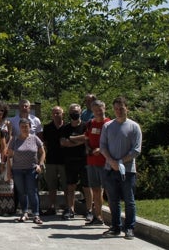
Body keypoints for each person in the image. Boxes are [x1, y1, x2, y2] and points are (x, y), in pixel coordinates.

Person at [100, 97, 142, 240]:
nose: (118, 111)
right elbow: (103, 146)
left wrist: (120, 162)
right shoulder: (107, 126)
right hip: (110, 169)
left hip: (128, 171)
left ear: (126, 108)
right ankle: (115, 227)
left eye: (121, 108)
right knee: (113, 200)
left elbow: (136, 150)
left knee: (129, 201)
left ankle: (129, 228)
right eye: (116, 108)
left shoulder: (134, 127)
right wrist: (111, 161)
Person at [7, 118, 46, 225]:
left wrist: (40, 164)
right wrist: (9, 171)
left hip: (31, 170)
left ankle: (36, 214)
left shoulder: (35, 139)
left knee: (32, 192)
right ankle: (24, 213)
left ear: (30, 127)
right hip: (17, 170)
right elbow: (9, 156)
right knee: (22, 192)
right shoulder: (14, 140)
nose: (24, 128)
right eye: (22, 127)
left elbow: (42, 152)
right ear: (19, 128)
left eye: (26, 126)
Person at [60, 103, 91, 222]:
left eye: (76, 111)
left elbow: (86, 138)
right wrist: (80, 140)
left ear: (80, 112)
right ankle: (70, 210)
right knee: (70, 187)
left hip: (84, 160)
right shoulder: (65, 128)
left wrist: (72, 139)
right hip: (70, 161)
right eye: (72, 111)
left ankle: (89, 211)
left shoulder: (86, 126)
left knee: (87, 187)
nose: (74, 113)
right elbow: (63, 142)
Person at [84, 99, 110, 226]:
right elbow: (86, 138)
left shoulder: (109, 124)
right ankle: (98, 217)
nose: (98, 112)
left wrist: (101, 149)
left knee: (109, 191)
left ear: (104, 109)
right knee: (95, 190)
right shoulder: (90, 123)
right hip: (91, 161)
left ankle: (115, 220)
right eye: (95, 110)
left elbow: (113, 142)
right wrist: (88, 148)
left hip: (105, 162)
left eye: (100, 110)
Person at [40, 106, 67, 216]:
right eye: (54, 113)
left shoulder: (67, 127)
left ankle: (68, 207)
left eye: (58, 113)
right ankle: (52, 207)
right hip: (51, 160)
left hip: (65, 160)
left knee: (66, 185)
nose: (56, 115)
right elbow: (44, 143)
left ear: (62, 114)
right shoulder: (47, 127)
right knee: (51, 186)